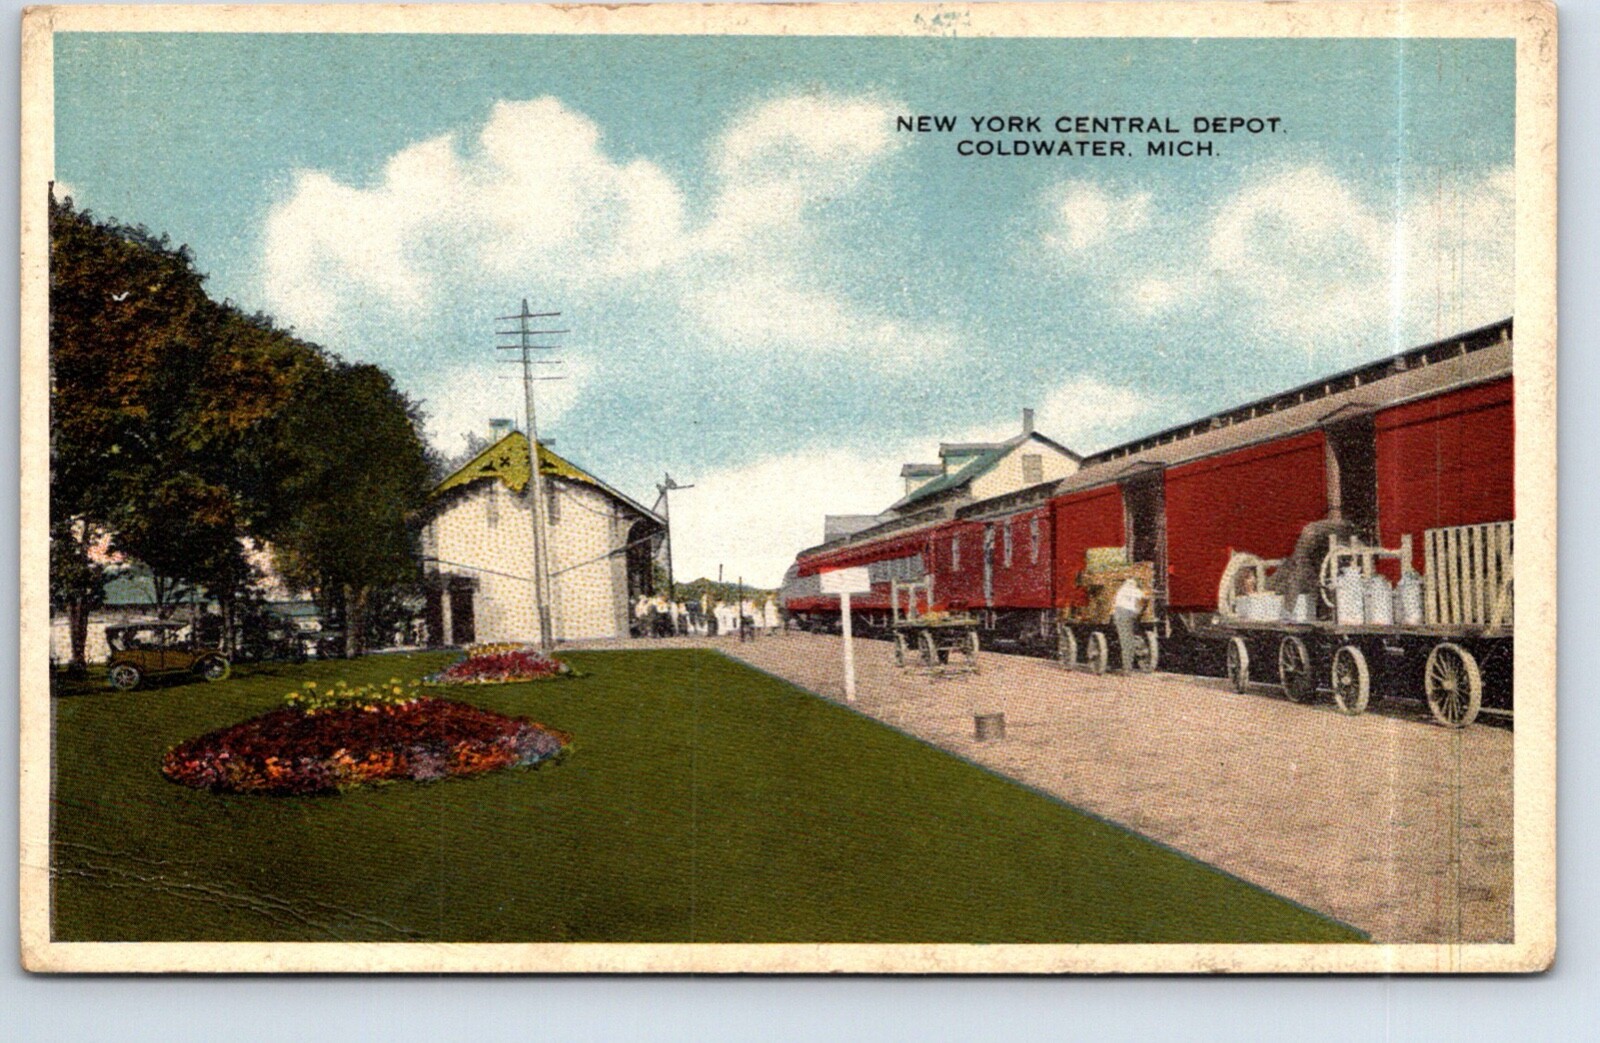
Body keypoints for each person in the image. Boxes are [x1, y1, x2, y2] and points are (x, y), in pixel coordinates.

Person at [1113, 577, 1146, 673]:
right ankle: (1128, 666)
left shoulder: (1121, 590)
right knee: (1128, 640)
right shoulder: (1135, 591)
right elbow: (1145, 597)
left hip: (1120, 613)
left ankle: (1127, 668)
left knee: (1125, 641)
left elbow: (1115, 603)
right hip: (1130, 614)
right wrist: (1139, 611)